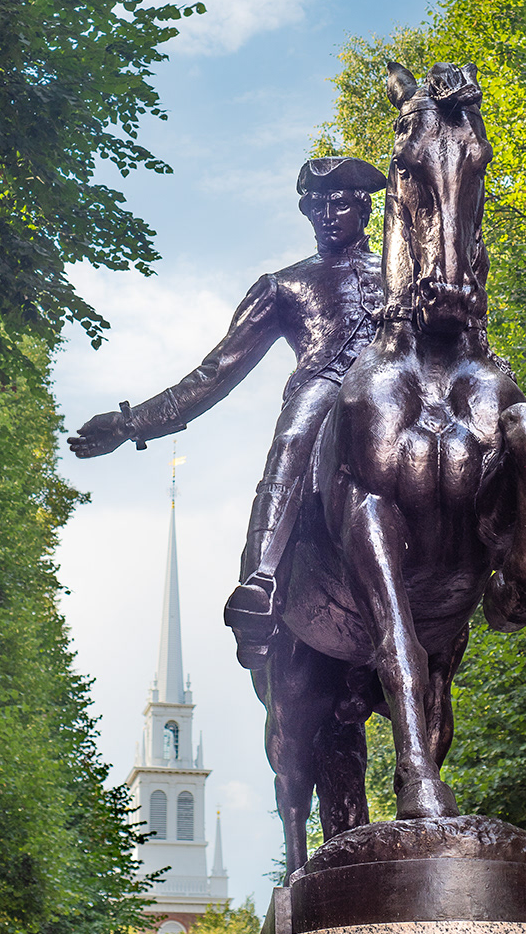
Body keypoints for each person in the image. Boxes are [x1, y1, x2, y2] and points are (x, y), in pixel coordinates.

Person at [67, 156, 387, 666]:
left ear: (364, 208)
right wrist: (130, 424)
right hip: (325, 387)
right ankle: (260, 580)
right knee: (294, 433)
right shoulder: (283, 286)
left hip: (401, 396)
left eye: (340, 202)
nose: (328, 214)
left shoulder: (408, 274)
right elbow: (214, 374)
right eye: (316, 205)